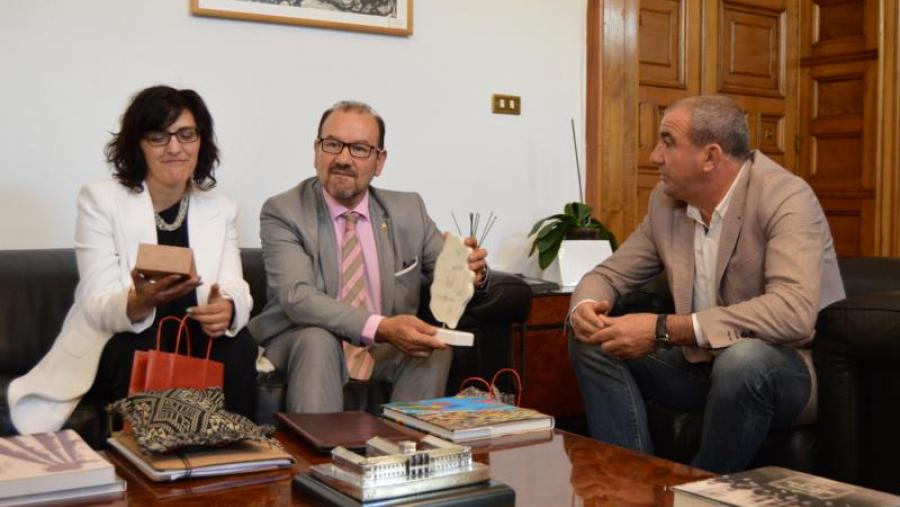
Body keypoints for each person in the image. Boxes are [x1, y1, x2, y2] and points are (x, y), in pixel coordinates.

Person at [568, 95, 845, 473]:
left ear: (710, 157)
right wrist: (585, 309)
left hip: (789, 368)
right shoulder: (666, 204)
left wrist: (666, 329)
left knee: (743, 360)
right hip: (702, 365)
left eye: (668, 142)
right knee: (597, 340)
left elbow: (793, 313)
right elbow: (607, 275)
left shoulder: (786, 197)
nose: (654, 156)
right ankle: (629, 482)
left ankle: (696, 496)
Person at [8, 85, 258, 433]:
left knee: (238, 344)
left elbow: (236, 286)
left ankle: (237, 458)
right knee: (134, 343)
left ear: (201, 142)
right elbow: (96, 303)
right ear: (138, 145)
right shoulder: (101, 201)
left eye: (186, 135)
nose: (175, 147)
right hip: (123, 339)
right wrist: (137, 303)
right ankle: (148, 468)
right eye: (159, 137)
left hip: (192, 339)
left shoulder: (220, 208)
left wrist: (229, 308)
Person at [248, 100, 489, 413]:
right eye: (333, 145)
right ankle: (319, 457)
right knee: (318, 341)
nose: (343, 159)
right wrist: (381, 326)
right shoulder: (285, 211)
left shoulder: (408, 211)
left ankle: (407, 453)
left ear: (379, 161)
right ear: (316, 151)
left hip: (378, 349)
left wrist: (471, 270)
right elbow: (296, 297)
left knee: (432, 348)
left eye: (360, 149)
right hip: (298, 342)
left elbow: (449, 272)